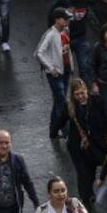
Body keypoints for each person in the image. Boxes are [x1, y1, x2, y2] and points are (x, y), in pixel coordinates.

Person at [66, 79, 107, 207]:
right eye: (77, 94)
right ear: (73, 95)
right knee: (82, 173)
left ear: (86, 90)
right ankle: (86, 198)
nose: (80, 96)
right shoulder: (70, 106)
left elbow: (106, 119)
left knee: (90, 172)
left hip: (95, 145)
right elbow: (61, 119)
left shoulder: (97, 101)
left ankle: (88, 193)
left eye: (82, 93)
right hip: (77, 147)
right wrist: (54, 131)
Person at [49, 0, 98, 78]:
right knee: (65, 69)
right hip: (66, 40)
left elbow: (96, 11)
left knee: (84, 67)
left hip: (81, 38)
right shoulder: (62, 0)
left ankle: (85, 92)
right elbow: (51, 14)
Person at [35, 9, 73, 140]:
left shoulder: (66, 31)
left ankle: (53, 130)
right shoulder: (51, 34)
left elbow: (67, 50)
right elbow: (39, 53)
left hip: (65, 71)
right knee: (62, 102)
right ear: (57, 19)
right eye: (65, 18)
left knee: (59, 102)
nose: (67, 20)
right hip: (56, 74)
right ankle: (66, 131)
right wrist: (51, 68)